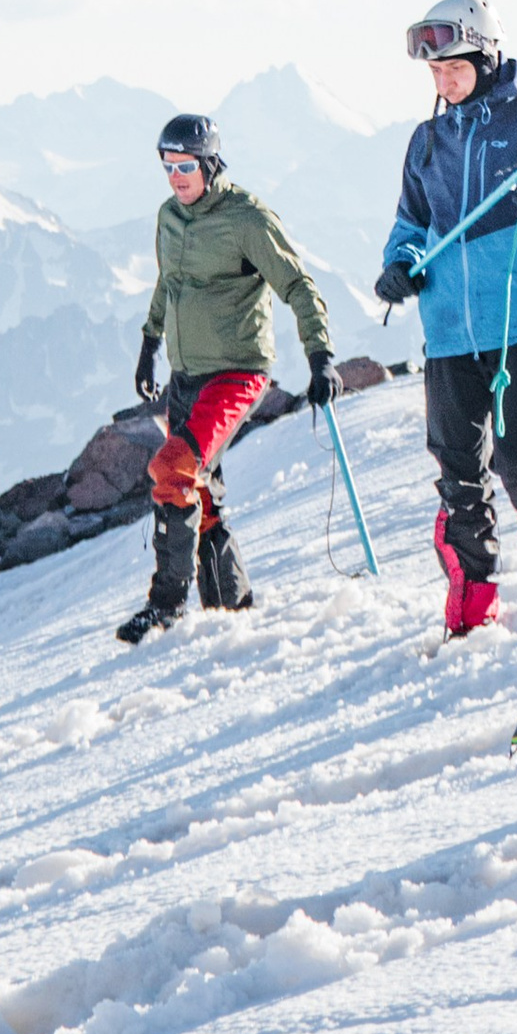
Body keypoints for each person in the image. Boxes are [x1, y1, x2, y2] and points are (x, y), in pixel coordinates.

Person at [375, 0, 517, 638]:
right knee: (458, 472)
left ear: (485, 54)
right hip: (448, 328)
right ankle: (471, 617)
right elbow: (411, 224)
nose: (443, 83)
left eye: (454, 68)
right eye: (435, 73)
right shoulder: (428, 140)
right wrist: (401, 264)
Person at [118, 112, 339, 646]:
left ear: (211, 164)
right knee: (203, 498)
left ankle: (165, 606)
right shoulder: (169, 217)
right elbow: (167, 284)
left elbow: (298, 286)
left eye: (186, 166)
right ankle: (232, 617)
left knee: (172, 469)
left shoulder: (247, 219)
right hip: (186, 375)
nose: (175, 177)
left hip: (237, 373)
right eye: (167, 166)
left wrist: (321, 355)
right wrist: (150, 344)